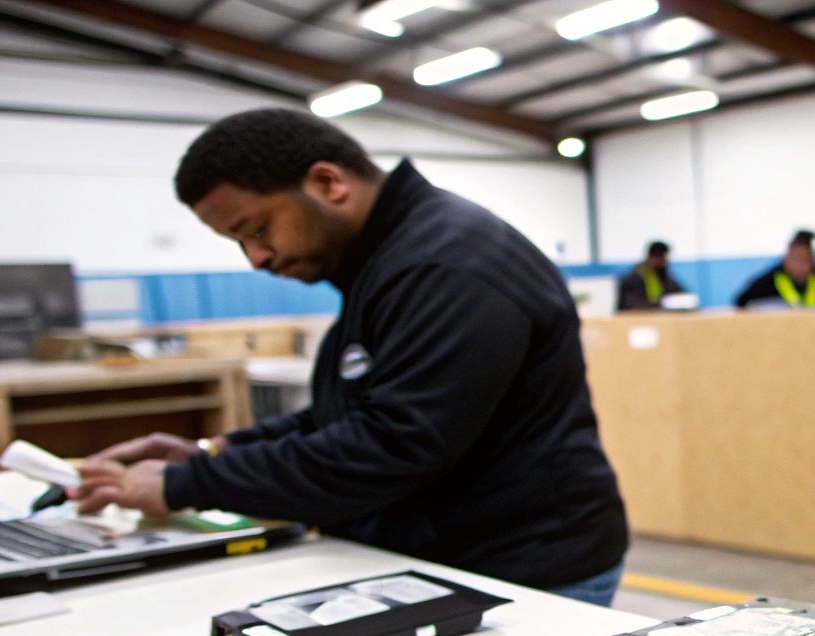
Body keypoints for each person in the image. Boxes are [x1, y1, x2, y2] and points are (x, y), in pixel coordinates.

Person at [71, 108, 629, 606]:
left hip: (520, 574)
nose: (257, 258)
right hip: (455, 558)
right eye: (238, 243)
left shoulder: (445, 266)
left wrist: (185, 485)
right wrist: (211, 451)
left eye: (258, 230)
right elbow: (348, 414)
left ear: (327, 182)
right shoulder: (388, 259)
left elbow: (391, 445)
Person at [733, 230, 815, 308]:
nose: (802, 265)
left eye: (806, 259)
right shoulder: (766, 282)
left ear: (814, 260)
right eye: (796, 259)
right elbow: (742, 302)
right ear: (786, 258)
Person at [616, 240, 687, 311]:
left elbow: (680, 295)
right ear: (650, 256)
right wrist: (660, 304)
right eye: (657, 256)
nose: (661, 260)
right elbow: (630, 304)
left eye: (663, 257)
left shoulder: (665, 277)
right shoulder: (634, 278)